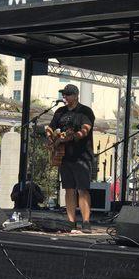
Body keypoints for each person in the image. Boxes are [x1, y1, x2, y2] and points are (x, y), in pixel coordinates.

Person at [46, 84, 95, 233]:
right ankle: (71, 222)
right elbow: (50, 127)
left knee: (83, 189)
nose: (65, 97)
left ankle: (85, 222)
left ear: (76, 96)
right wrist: (50, 137)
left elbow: (85, 130)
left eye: (68, 95)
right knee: (68, 189)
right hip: (64, 156)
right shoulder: (59, 112)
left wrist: (70, 138)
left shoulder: (85, 111)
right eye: (64, 95)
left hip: (82, 157)